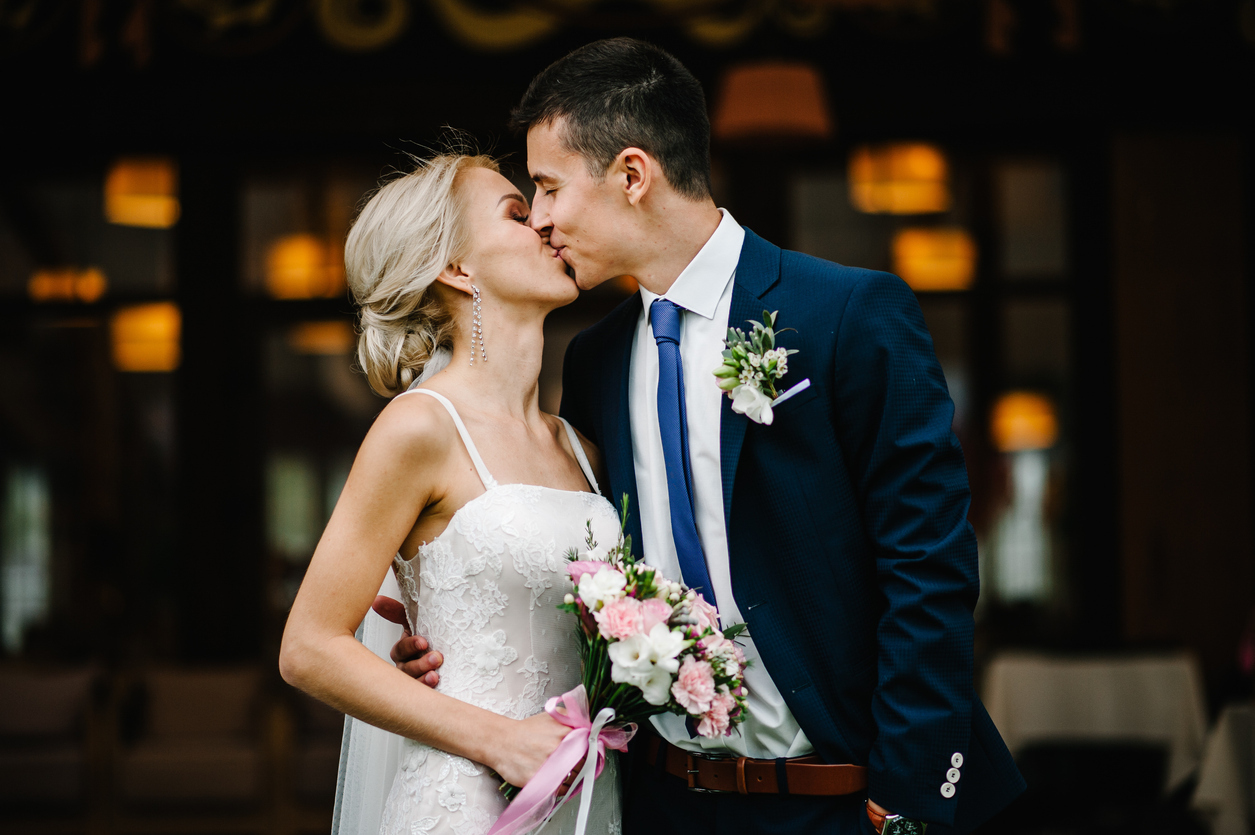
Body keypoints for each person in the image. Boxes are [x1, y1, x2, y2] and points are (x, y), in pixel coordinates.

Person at [387, 38, 1026, 835]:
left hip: (843, 795)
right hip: (659, 800)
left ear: (630, 175)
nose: (541, 217)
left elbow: (927, 566)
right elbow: (583, 564)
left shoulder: (847, 316)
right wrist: (438, 642)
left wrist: (902, 799)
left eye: (548, 187)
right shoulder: (595, 359)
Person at [279, 151, 623, 835]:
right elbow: (309, 646)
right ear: (458, 269)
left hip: (589, 801)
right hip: (468, 800)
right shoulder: (420, 427)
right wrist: (497, 738)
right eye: (519, 214)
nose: (547, 223)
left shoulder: (582, 448)